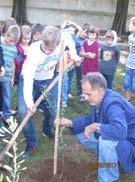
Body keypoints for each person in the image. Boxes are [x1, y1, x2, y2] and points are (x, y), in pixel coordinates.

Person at [55, 72, 135, 182]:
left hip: (131, 143)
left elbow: (120, 131)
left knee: (105, 140)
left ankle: (107, 178)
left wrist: (96, 126)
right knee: (82, 134)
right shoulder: (100, 98)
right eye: (84, 94)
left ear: (100, 90)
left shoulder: (113, 104)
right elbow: (90, 120)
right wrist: (70, 122)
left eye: (88, 94)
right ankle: (112, 161)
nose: (86, 98)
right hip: (122, 139)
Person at [18, 25, 80, 158]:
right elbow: (28, 77)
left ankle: (47, 130)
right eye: (45, 47)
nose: (46, 51)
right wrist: (29, 102)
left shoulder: (62, 39)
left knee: (52, 110)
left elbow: (69, 39)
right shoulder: (34, 51)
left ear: (58, 44)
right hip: (29, 80)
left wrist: (73, 54)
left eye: (50, 49)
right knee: (24, 113)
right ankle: (32, 143)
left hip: (47, 81)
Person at [0, 25, 20, 118]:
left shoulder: (14, 49)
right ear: (6, 35)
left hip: (7, 77)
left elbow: (13, 63)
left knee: (7, 95)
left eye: (15, 42)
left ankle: (6, 112)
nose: (12, 43)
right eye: (11, 40)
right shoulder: (1, 44)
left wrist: (12, 77)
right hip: (1, 73)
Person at [123, 17, 135, 101]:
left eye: (130, 23)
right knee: (127, 84)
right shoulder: (130, 37)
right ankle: (128, 100)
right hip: (129, 64)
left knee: (134, 86)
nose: (128, 25)